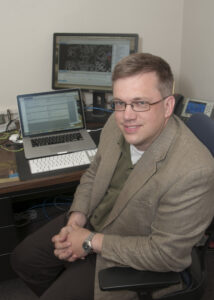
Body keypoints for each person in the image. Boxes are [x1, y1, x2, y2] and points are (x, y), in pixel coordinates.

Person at [11, 53, 214, 300]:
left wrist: (89, 242)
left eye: (140, 103)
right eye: (119, 102)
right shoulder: (115, 123)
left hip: (130, 246)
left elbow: (167, 254)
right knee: (24, 260)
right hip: (93, 218)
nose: (126, 115)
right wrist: (76, 219)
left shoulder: (195, 171)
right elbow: (94, 173)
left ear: (168, 106)